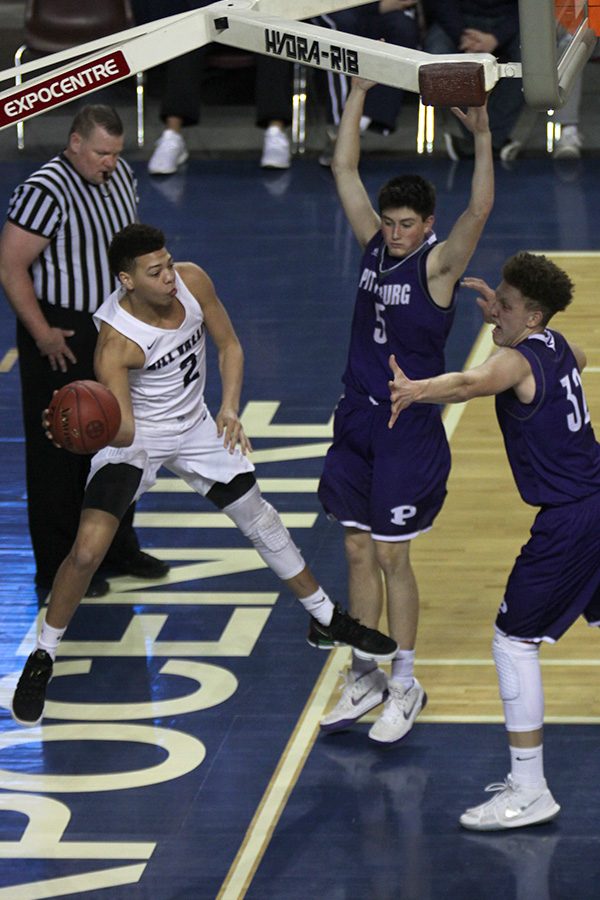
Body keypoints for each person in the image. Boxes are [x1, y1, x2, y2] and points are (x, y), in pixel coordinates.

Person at [10, 223, 398, 728]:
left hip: (195, 425)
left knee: (260, 518)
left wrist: (231, 409)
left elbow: (230, 345)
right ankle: (43, 655)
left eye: (169, 263)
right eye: (156, 272)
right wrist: (79, 431)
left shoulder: (193, 281)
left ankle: (327, 618)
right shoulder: (115, 343)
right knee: (86, 551)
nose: (169, 276)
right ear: (126, 281)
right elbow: (123, 431)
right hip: (141, 438)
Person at [388, 251, 600, 829]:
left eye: (503, 306)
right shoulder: (555, 345)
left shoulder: (518, 359)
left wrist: (417, 389)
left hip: (571, 521)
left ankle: (529, 788)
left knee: (512, 641)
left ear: (533, 317)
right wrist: (506, 322)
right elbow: (575, 357)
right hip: (596, 501)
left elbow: (470, 382)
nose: (493, 312)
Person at [314, 76, 493, 744]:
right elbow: (344, 166)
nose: (392, 233)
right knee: (356, 546)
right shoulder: (372, 244)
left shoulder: (438, 267)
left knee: (393, 556)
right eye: (388, 223)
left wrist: (481, 139)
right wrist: (359, 84)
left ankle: (406, 681)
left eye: (404, 225)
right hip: (355, 416)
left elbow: (479, 211)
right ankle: (363, 670)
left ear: (426, 227)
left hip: (406, 425)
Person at [0, 105, 168, 598]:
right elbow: (11, 268)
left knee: (120, 439)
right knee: (61, 445)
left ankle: (118, 547)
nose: (109, 163)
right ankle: (57, 564)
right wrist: (42, 333)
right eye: (100, 153)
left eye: (115, 153)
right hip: (62, 332)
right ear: (75, 143)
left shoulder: (121, 177)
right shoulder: (43, 191)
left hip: (115, 326)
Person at [132, 0, 295, 173]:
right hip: (206, 17)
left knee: (275, 38)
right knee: (183, 37)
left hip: (257, 17)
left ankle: (275, 132)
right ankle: (172, 135)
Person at [312, 1, 422, 166]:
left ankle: (360, 123)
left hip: (381, 9)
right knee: (340, 26)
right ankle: (341, 128)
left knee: (403, 27)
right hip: (331, 7)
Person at [422, 0, 524, 160]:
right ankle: (485, 141)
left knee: (532, 60)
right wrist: (463, 36)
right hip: (456, 18)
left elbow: (534, 7)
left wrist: (497, 37)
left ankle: (485, 138)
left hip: (512, 19)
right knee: (437, 60)